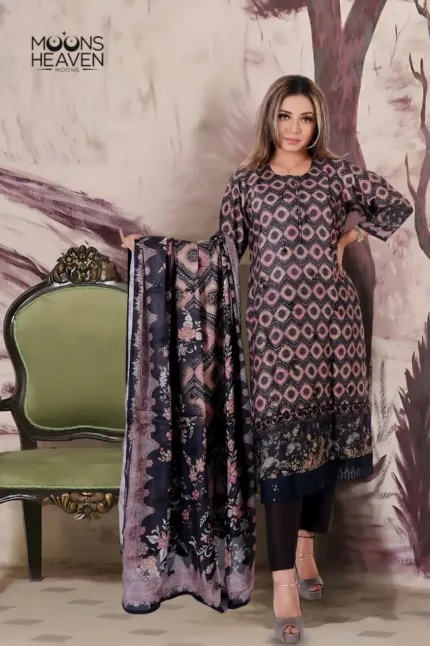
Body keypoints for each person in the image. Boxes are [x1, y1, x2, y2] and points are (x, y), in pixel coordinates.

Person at [120, 74, 413, 643]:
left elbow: (393, 205)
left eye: (305, 118)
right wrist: (155, 250)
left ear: (317, 123)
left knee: (325, 441)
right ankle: (282, 584)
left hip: (334, 327)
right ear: (270, 120)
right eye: (285, 117)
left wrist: (350, 239)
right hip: (276, 332)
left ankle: (305, 550)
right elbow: (219, 255)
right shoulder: (247, 183)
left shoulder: (334, 175)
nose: (295, 129)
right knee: (282, 455)